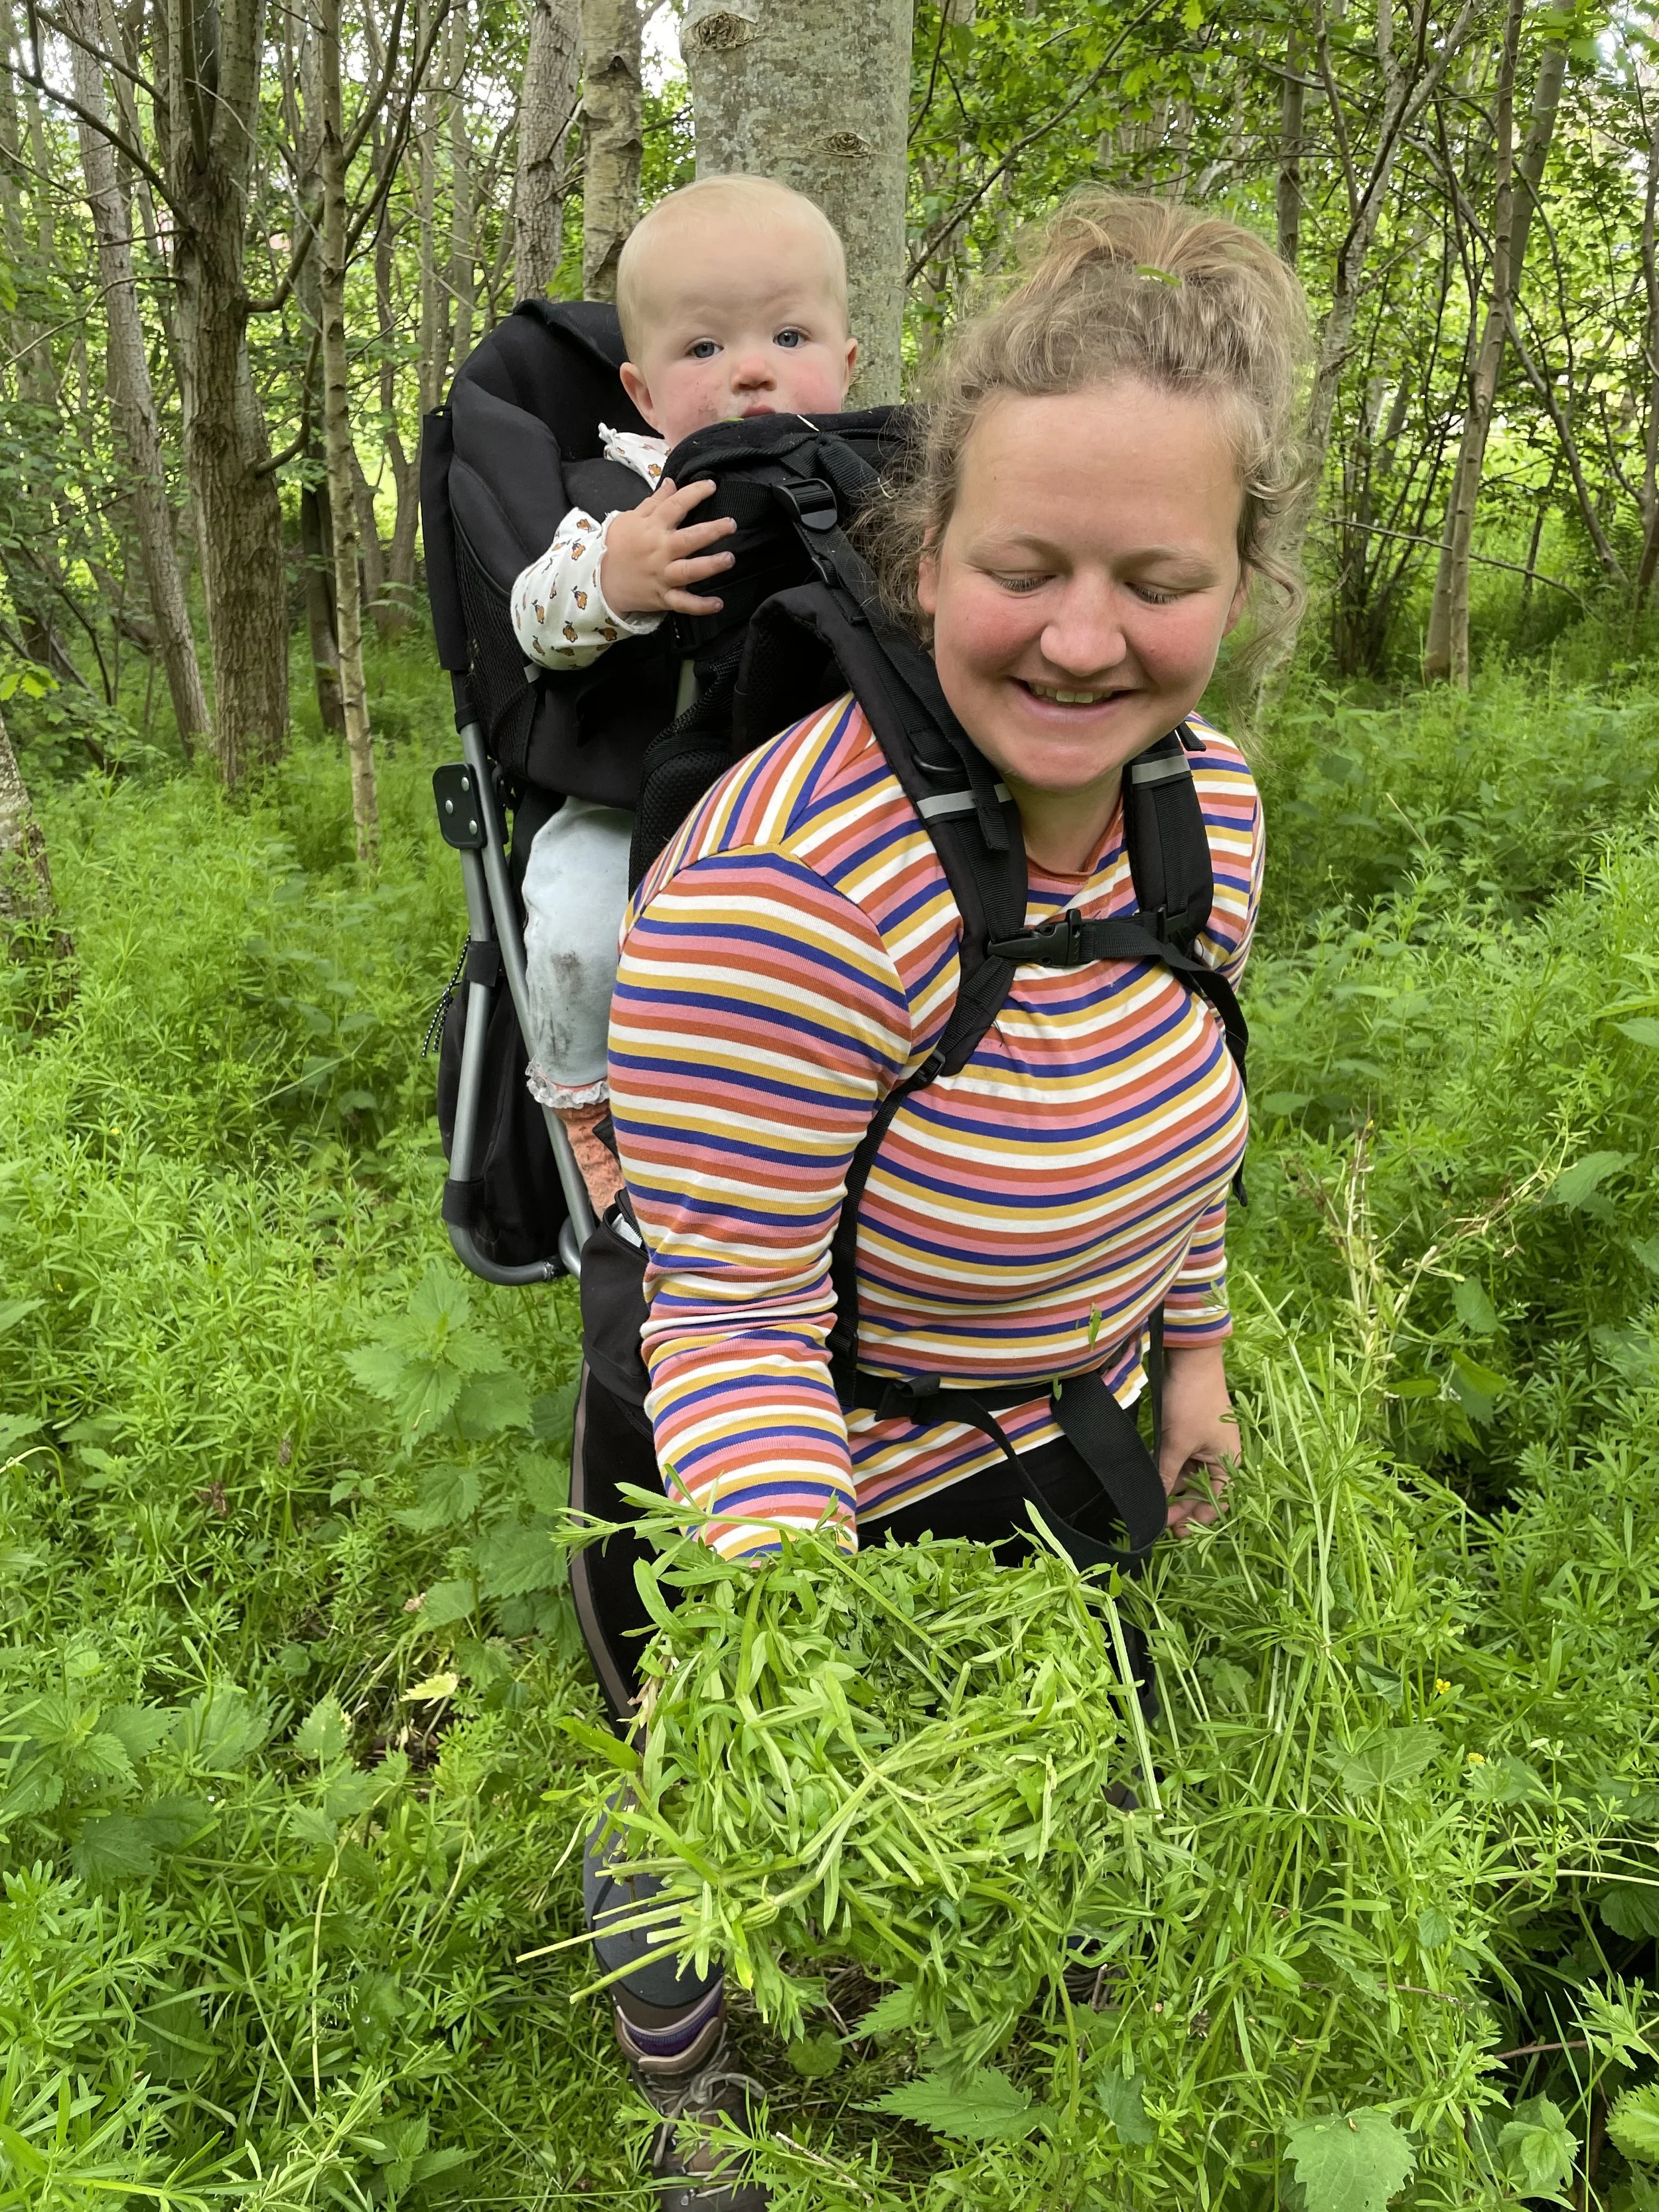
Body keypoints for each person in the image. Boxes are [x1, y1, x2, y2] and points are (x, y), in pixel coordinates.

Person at [576, 194, 1309, 2210]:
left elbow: (1185, 1108)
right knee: (699, 1812)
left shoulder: (1209, 806)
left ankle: (1007, 2053)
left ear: (1242, 578)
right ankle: (685, 2105)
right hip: (775, 1461)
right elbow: (723, 1321)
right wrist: (801, 1632)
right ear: (925, 555)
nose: (1086, 637)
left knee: (1058, 1768)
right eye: (1023, 568)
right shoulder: (786, 882)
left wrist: (1195, 1353)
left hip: (1045, 1426)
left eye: (1157, 579)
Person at [511, 175, 859, 1211]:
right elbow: (534, 618)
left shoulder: (871, 482)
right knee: (573, 924)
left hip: (836, 805)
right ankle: (586, 1105)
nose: (754, 371)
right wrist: (617, 578)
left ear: (848, 362)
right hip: (636, 806)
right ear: (645, 392)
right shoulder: (625, 498)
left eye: (791, 337)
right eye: (704, 350)